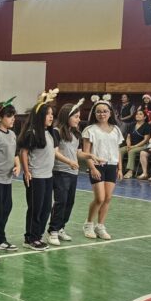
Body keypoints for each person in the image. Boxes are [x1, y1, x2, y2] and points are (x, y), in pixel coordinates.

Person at [81, 98, 125, 240]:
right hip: (97, 166)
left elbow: (117, 150)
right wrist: (92, 168)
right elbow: (86, 152)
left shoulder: (116, 130)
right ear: (94, 114)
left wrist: (120, 168)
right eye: (99, 112)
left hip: (112, 166)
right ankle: (88, 224)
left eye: (105, 111)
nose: (102, 114)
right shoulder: (90, 130)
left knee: (107, 198)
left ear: (110, 113)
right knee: (99, 198)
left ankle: (100, 226)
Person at [18, 93, 57, 251]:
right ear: (40, 116)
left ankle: (38, 236)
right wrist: (27, 171)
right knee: (35, 208)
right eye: (48, 114)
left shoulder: (49, 133)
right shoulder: (32, 133)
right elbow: (24, 152)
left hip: (48, 176)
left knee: (46, 208)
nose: (51, 117)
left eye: (52, 114)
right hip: (36, 176)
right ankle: (30, 238)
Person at [47, 102, 86, 247]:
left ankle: (61, 227)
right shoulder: (56, 131)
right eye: (76, 117)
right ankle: (53, 231)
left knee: (69, 202)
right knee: (61, 201)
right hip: (60, 171)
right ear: (67, 116)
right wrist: (69, 161)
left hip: (73, 172)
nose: (78, 120)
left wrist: (90, 156)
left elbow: (78, 153)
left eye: (79, 117)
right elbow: (55, 152)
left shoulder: (76, 133)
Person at [0, 101, 20, 252]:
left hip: (7, 180)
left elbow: (15, 154)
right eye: (9, 116)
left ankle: (0, 238)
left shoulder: (12, 134)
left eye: (14, 115)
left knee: (6, 208)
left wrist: (17, 165)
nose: (13, 119)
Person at [120, 109, 151, 178]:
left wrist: (134, 146)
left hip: (143, 145)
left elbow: (146, 140)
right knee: (120, 150)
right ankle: (120, 169)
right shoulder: (132, 125)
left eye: (140, 114)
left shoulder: (147, 126)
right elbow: (128, 137)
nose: (138, 115)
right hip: (131, 145)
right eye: (137, 114)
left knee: (131, 151)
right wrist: (128, 145)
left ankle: (130, 171)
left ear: (145, 117)